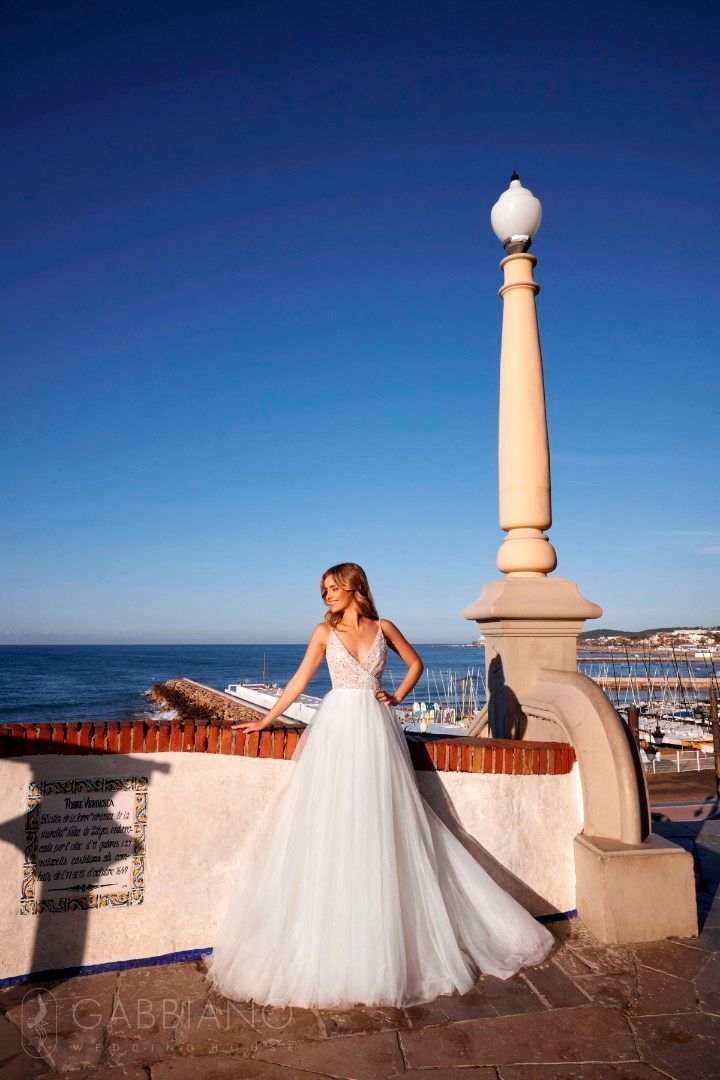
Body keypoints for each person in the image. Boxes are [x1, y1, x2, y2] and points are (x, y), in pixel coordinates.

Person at [201, 562, 554, 1009]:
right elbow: (299, 680)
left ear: (354, 588)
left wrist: (398, 696)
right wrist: (266, 720)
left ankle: (388, 943)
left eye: (333, 588)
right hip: (337, 733)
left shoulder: (383, 626)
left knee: (382, 825)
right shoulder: (322, 632)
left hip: (377, 731)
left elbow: (416, 664)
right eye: (324, 589)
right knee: (331, 827)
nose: (327, 595)